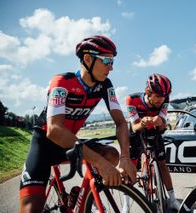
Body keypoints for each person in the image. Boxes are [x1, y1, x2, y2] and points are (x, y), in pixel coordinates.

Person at [19, 35, 137, 212]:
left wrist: (125, 158)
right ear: (87, 59)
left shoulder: (105, 85)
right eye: (106, 61)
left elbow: (121, 122)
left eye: (112, 62)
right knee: (31, 208)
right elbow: (55, 130)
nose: (111, 68)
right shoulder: (62, 82)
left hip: (69, 144)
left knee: (111, 154)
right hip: (44, 145)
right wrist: (100, 164)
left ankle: (84, 199)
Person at [125, 73, 181, 211]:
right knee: (130, 167)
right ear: (148, 92)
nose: (160, 100)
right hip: (137, 129)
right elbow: (135, 126)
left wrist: (160, 121)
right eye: (157, 96)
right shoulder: (132, 100)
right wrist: (143, 122)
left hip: (153, 130)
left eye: (163, 97)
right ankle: (125, 206)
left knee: (162, 164)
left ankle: (172, 199)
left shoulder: (164, 99)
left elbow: (162, 127)